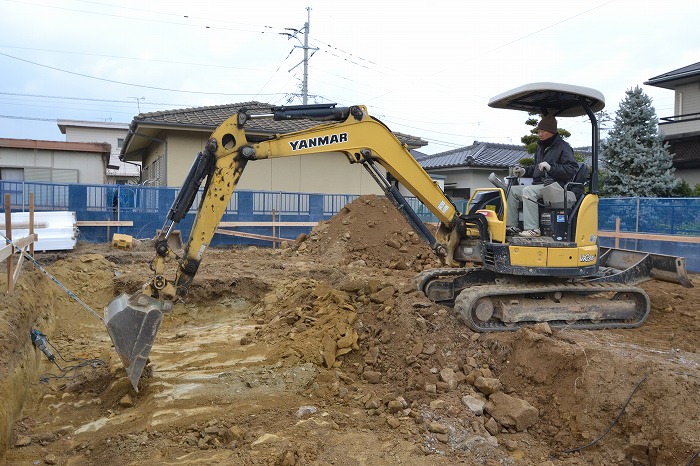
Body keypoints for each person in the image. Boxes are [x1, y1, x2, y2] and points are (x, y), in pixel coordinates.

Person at [506, 115, 579, 237]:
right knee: (512, 190)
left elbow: (571, 169)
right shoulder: (541, 147)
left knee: (529, 191)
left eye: (542, 131)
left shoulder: (563, 147)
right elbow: (537, 168)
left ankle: (533, 229)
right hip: (540, 184)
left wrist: (551, 168)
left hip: (556, 185)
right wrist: (524, 171)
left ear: (552, 131)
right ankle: (512, 226)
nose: (539, 134)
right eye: (538, 131)